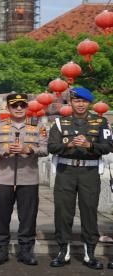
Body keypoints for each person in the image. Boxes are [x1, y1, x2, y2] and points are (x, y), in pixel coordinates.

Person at [48, 87, 112, 270]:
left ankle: (89, 253)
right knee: (62, 212)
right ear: (71, 103)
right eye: (77, 101)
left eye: (84, 101)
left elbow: (108, 146)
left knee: (89, 212)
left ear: (89, 102)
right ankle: (63, 251)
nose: (81, 104)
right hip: (65, 171)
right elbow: (52, 146)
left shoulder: (100, 122)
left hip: (89, 173)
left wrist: (89, 144)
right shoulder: (61, 123)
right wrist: (68, 145)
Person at [0, 93, 48, 265]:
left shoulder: (37, 126)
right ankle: (1, 251)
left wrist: (28, 149)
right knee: (1, 216)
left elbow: (45, 148)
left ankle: (26, 251)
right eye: (15, 105)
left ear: (27, 107)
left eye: (22, 105)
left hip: (28, 178)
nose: (19, 108)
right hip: (3, 178)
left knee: (28, 217)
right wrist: (4, 151)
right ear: (8, 108)